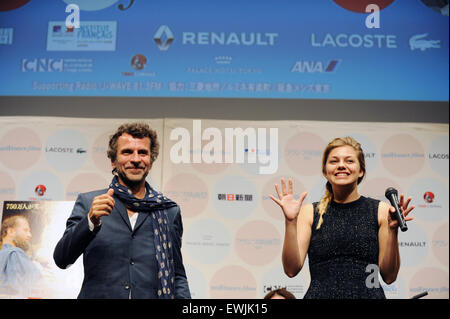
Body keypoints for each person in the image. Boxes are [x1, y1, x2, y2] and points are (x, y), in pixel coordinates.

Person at [53, 122, 191, 299]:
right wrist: (90, 222)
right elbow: (62, 259)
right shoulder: (90, 203)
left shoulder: (167, 210)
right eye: (127, 152)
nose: (135, 159)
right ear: (113, 160)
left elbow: (177, 274)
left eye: (142, 152)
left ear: (151, 161)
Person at [270, 137, 414, 299]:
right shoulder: (310, 212)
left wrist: (393, 231)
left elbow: (389, 276)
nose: (341, 165)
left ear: (361, 171)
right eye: (334, 161)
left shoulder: (380, 210)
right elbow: (291, 270)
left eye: (349, 160)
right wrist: (290, 222)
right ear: (325, 171)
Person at [0, 215, 42, 297]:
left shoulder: (2, 254)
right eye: (25, 230)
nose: (30, 235)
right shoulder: (14, 253)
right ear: (11, 231)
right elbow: (35, 283)